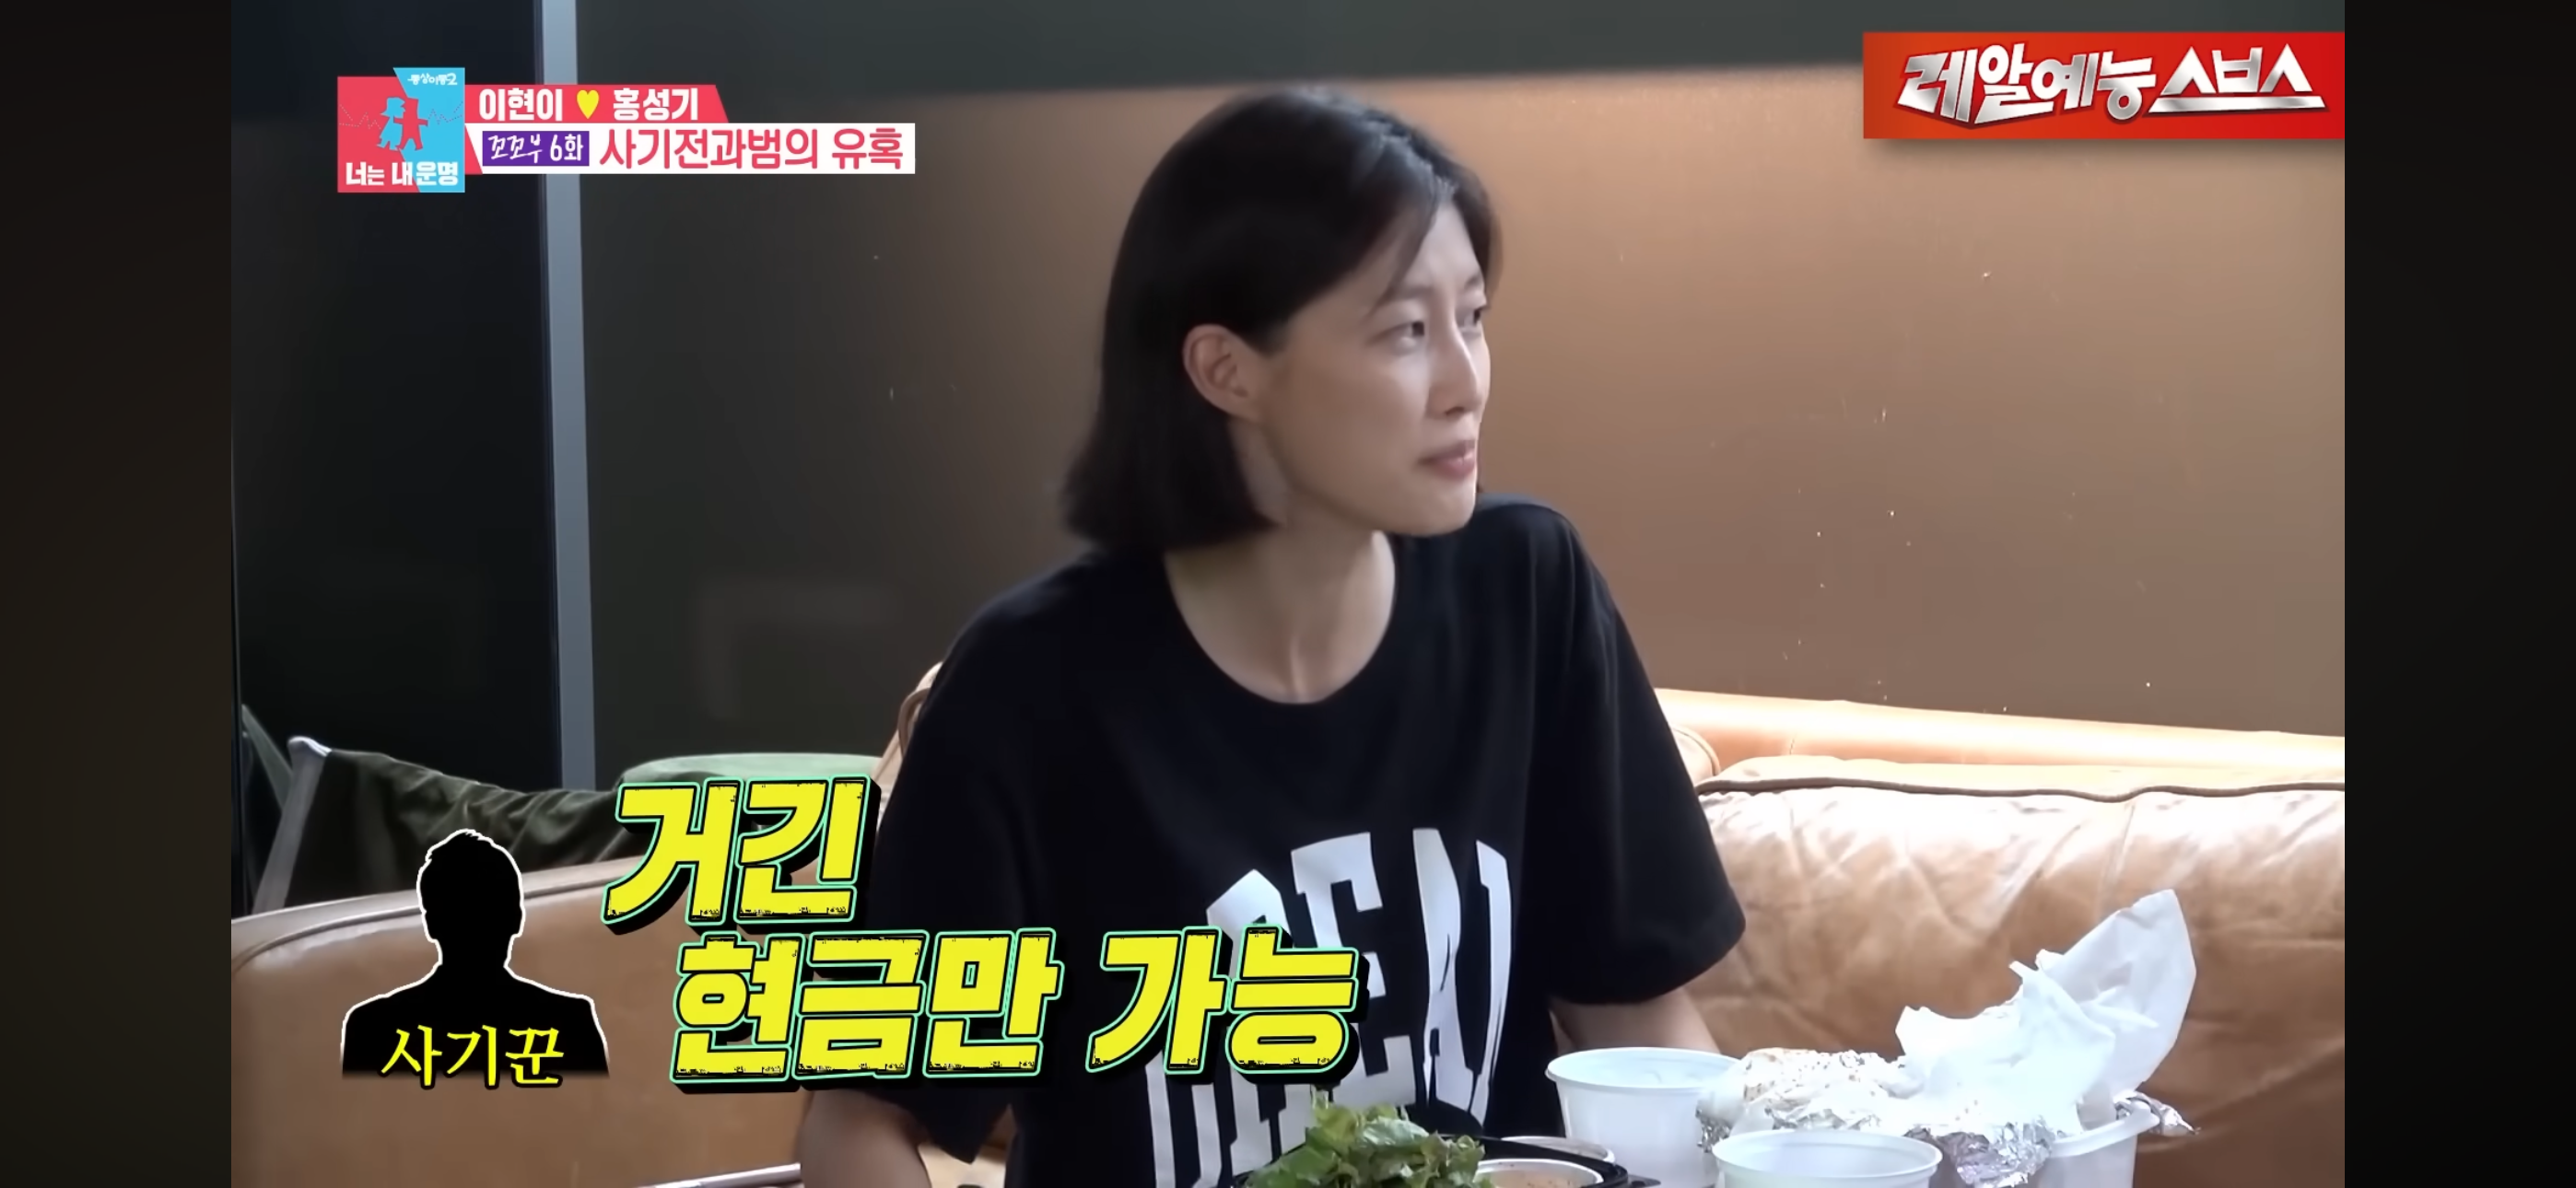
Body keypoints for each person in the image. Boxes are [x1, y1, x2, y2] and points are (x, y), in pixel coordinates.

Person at [797, 88, 1743, 1187]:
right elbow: (859, 1123)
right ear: (1226, 369)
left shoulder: (1525, 591)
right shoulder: (1029, 689)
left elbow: (1636, 1022)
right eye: (1407, 332)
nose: (1465, 383)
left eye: (1473, 319)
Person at [341, 829, 611, 1082]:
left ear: (431, 923)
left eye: (486, 914)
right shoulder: (570, 1021)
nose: (476, 927)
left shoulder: (372, 1027)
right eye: (467, 916)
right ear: (516, 918)